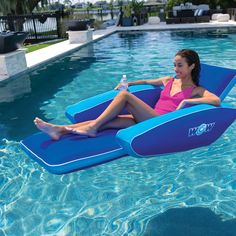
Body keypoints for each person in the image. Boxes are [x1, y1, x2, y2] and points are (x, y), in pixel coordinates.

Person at [34, 49, 221, 140]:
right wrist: (129, 83)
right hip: (146, 118)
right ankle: (60, 129)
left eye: (180, 65)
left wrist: (188, 101)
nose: (175, 69)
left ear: (192, 66)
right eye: (174, 64)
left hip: (161, 123)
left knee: (125, 97)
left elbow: (216, 100)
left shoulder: (196, 90)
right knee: (108, 121)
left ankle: (91, 128)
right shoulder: (168, 80)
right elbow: (147, 81)